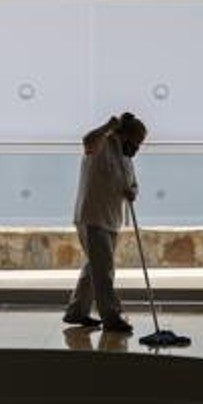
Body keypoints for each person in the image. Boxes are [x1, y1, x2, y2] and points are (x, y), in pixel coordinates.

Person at [62, 112, 146, 333]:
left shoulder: (126, 160)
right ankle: (111, 316)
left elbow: (134, 185)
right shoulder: (101, 144)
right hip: (92, 217)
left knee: (94, 268)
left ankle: (76, 312)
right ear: (124, 136)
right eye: (136, 142)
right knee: (105, 269)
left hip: (111, 220)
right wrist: (109, 126)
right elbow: (87, 142)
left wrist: (132, 192)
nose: (137, 148)